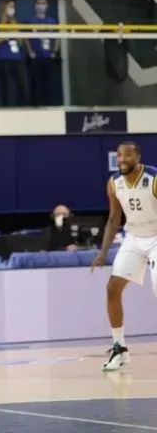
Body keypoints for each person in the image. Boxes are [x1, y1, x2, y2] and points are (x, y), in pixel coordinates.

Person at [93, 141, 157, 372]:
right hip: (133, 238)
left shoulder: (154, 179)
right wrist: (102, 253)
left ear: (137, 157)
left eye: (127, 156)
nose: (122, 159)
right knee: (112, 289)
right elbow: (113, 218)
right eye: (119, 156)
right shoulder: (113, 183)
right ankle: (119, 348)